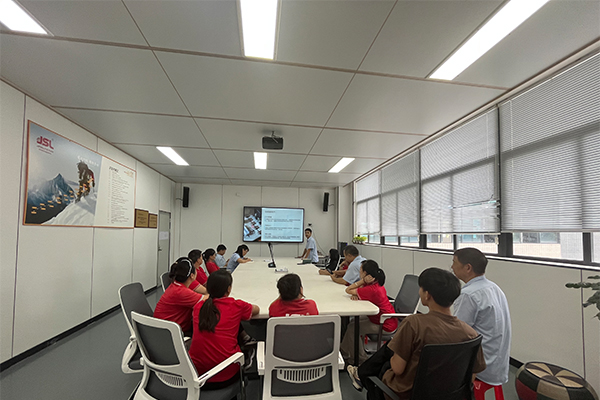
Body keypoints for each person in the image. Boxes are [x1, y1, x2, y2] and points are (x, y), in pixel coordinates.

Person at [348, 267, 486, 400]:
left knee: (384, 365)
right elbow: (471, 376)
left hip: (406, 394)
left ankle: (360, 374)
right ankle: (361, 373)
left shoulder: (414, 324)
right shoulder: (470, 333)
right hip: (448, 396)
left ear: (427, 295)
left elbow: (397, 369)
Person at [189, 270, 260, 389]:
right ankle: (248, 347)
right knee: (233, 326)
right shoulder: (236, 306)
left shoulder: (198, 307)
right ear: (228, 289)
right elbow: (256, 310)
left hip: (197, 373)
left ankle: (246, 341)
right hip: (226, 373)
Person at [451, 247, 511, 388]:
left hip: (481, 368)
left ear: (468, 268)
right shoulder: (494, 288)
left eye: (454, 262)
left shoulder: (468, 294)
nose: (452, 267)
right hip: (498, 366)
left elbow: (456, 334)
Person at [341, 260, 398, 365]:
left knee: (353, 328)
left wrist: (361, 282)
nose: (359, 272)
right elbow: (356, 291)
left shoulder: (372, 289)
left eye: (360, 270)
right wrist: (357, 293)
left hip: (384, 324)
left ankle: (360, 360)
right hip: (383, 318)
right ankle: (345, 352)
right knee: (353, 323)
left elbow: (348, 290)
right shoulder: (376, 283)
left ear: (366, 273)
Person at [153, 257, 208, 336]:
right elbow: (208, 299)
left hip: (164, 327)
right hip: (170, 333)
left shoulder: (176, 285)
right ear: (192, 275)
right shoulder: (181, 292)